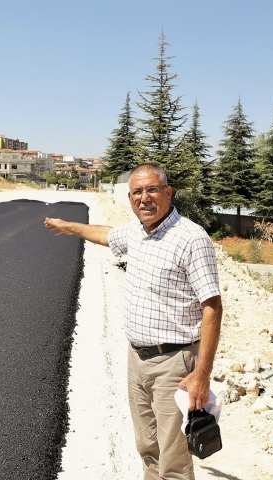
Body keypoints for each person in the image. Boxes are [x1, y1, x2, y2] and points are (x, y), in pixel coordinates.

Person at [44, 163, 222, 480]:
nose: (145, 198)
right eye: (137, 192)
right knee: (148, 450)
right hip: (137, 359)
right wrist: (71, 227)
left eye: (152, 189)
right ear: (130, 198)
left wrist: (201, 375)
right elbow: (106, 235)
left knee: (174, 462)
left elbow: (213, 307)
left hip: (174, 364)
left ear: (168, 193)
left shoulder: (191, 239)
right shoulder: (138, 232)